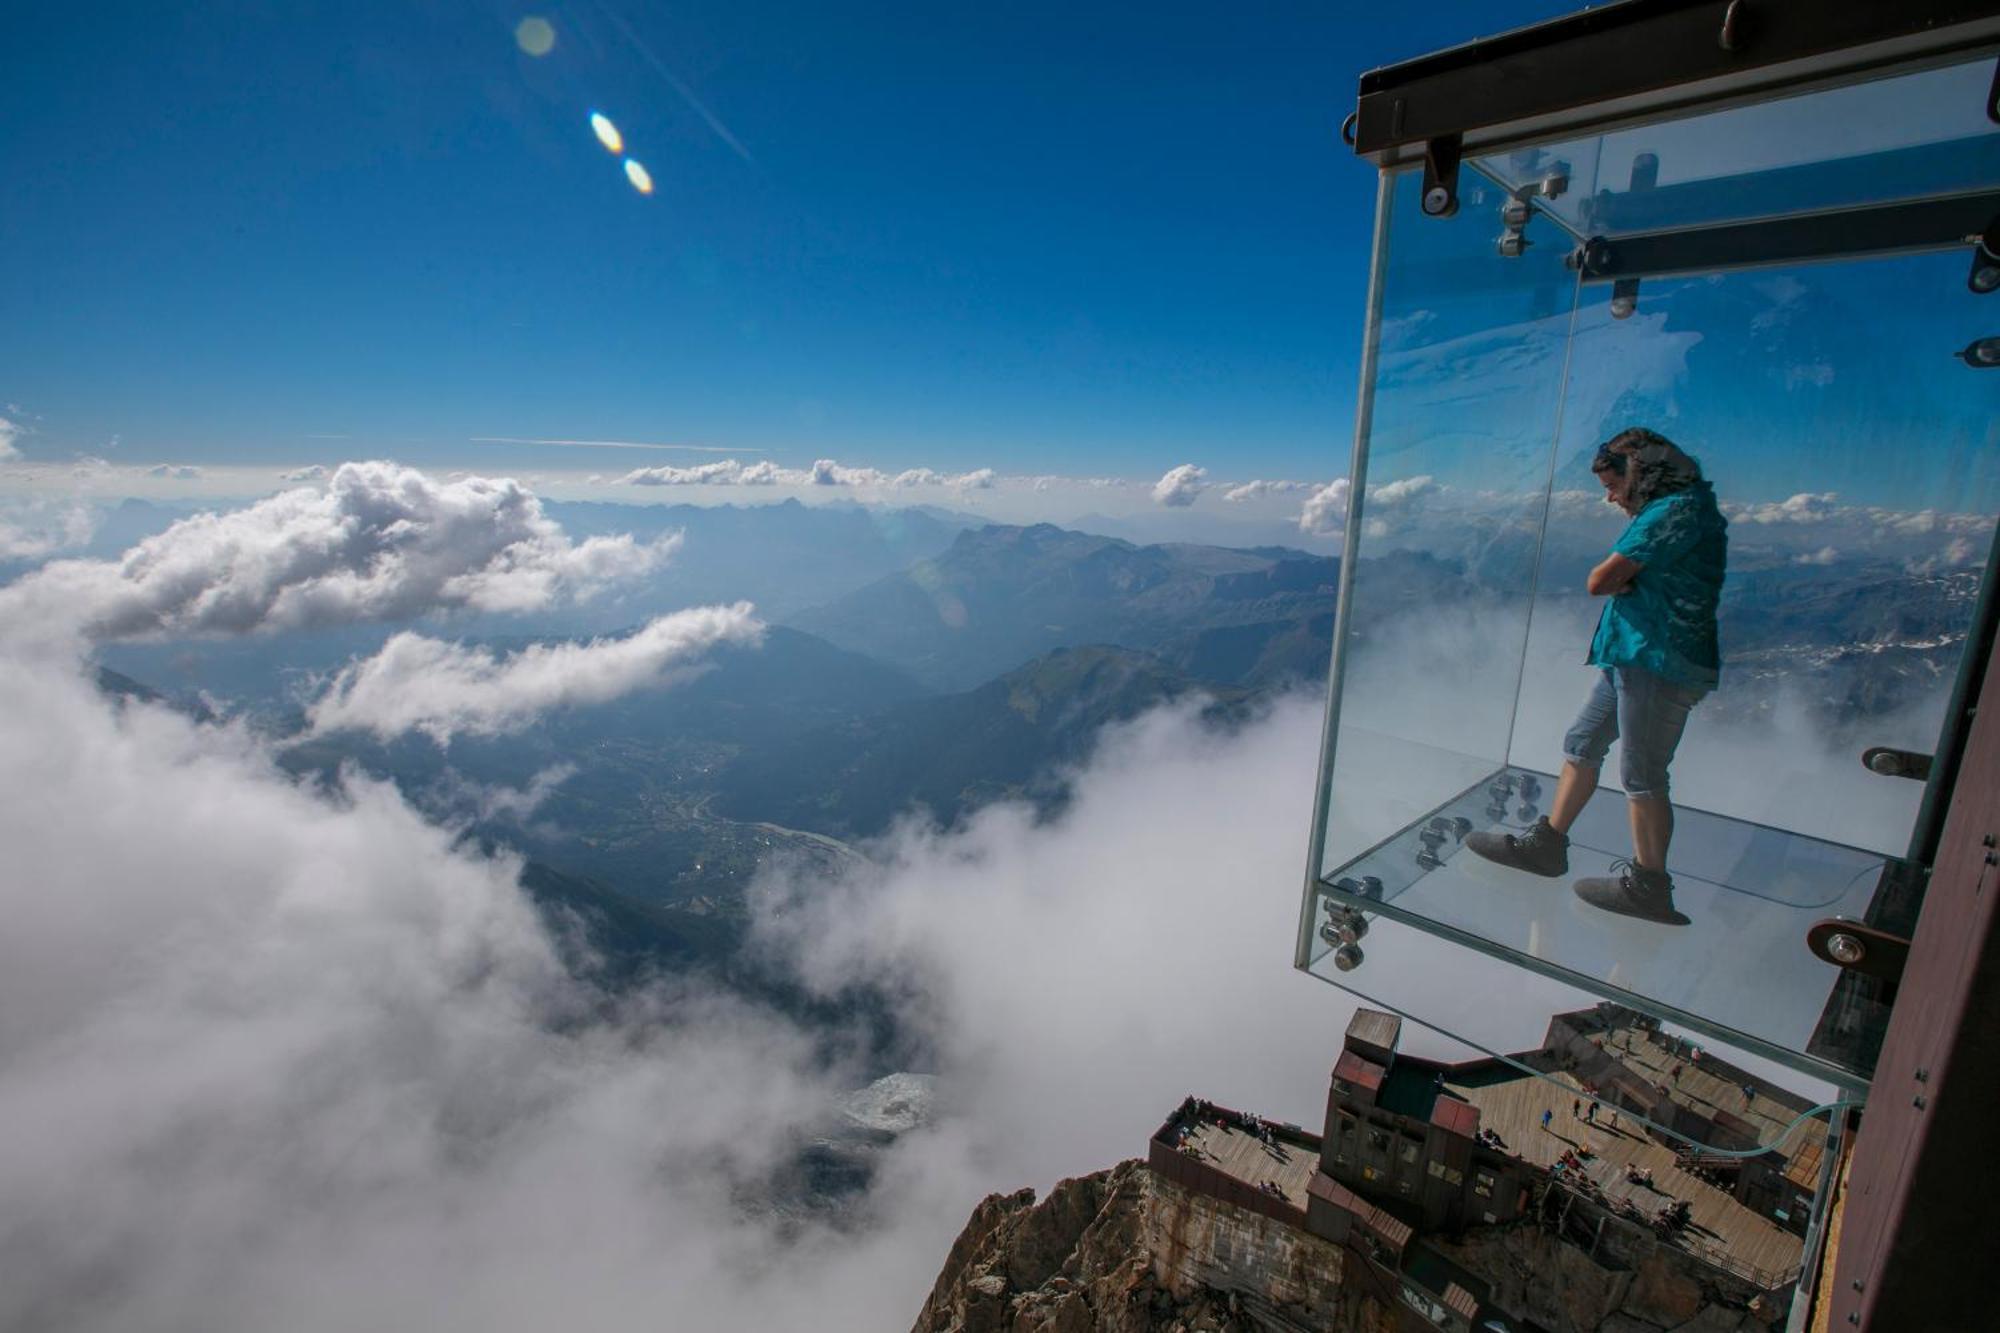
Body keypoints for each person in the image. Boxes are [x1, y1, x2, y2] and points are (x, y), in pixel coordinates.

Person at [1468, 428, 1728, 924]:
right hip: (1632, 657)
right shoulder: (1682, 509)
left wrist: (1621, 583)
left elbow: (1599, 580)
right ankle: (1547, 845)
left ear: (1639, 473)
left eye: (1612, 485)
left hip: (1658, 660)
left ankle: (1650, 887)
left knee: (1642, 773)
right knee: (1582, 742)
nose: (1609, 498)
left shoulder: (1672, 512)